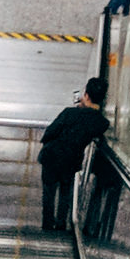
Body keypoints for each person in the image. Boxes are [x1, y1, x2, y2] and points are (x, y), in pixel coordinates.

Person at [38, 78, 108, 235]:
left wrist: (80, 107)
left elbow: (50, 132)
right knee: (65, 191)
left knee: (49, 192)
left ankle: (47, 227)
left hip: (51, 156)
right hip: (71, 160)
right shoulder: (102, 123)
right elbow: (92, 128)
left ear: (86, 95)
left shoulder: (69, 113)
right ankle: (61, 226)